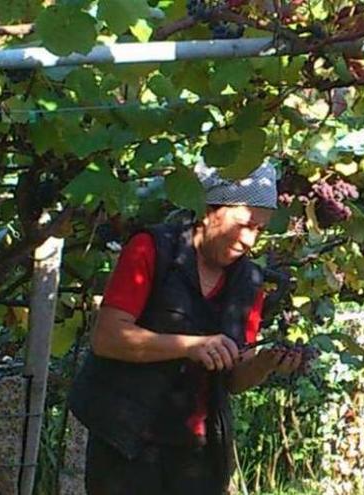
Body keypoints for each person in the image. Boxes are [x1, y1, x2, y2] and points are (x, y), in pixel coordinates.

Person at [69, 161, 302, 495]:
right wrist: (190, 346)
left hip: (197, 450)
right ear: (209, 210)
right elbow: (108, 338)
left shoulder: (249, 283)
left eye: (260, 230)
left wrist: (264, 363)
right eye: (244, 224)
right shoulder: (151, 249)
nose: (250, 239)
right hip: (126, 438)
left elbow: (233, 379)